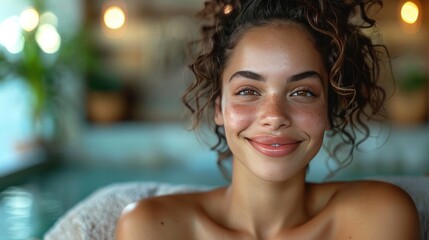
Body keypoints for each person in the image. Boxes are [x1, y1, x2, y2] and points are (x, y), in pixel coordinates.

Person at [116, 0, 420, 239]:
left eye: (302, 92)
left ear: (329, 109)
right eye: (248, 90)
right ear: (219, 108)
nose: (274, 117)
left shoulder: (381, 218)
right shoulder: (151, 228)